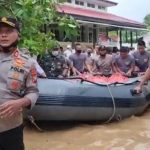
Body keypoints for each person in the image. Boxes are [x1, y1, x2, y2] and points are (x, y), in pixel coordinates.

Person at [0, 17, 39, 150]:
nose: (3, 34)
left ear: (18, 34)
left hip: (10, 129)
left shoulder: (28, 63)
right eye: (0, 31)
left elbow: (33, 92)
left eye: (9, 30)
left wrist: (20, 103)